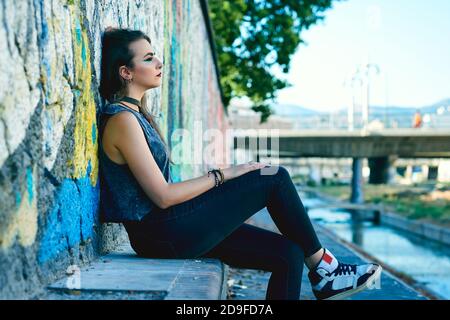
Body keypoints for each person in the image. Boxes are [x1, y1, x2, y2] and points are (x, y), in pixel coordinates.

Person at [98, 28, 382, 300]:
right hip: (161, 233)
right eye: (148, 58)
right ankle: (325, 269)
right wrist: (225, 175)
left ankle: (321, 269)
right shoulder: (122, 120)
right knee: (273, 176)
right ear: (126, 72)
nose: (158, 62)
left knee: (289, 253)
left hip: (170, 227)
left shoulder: (136, 115)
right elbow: (162, 196)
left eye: (155, 55)